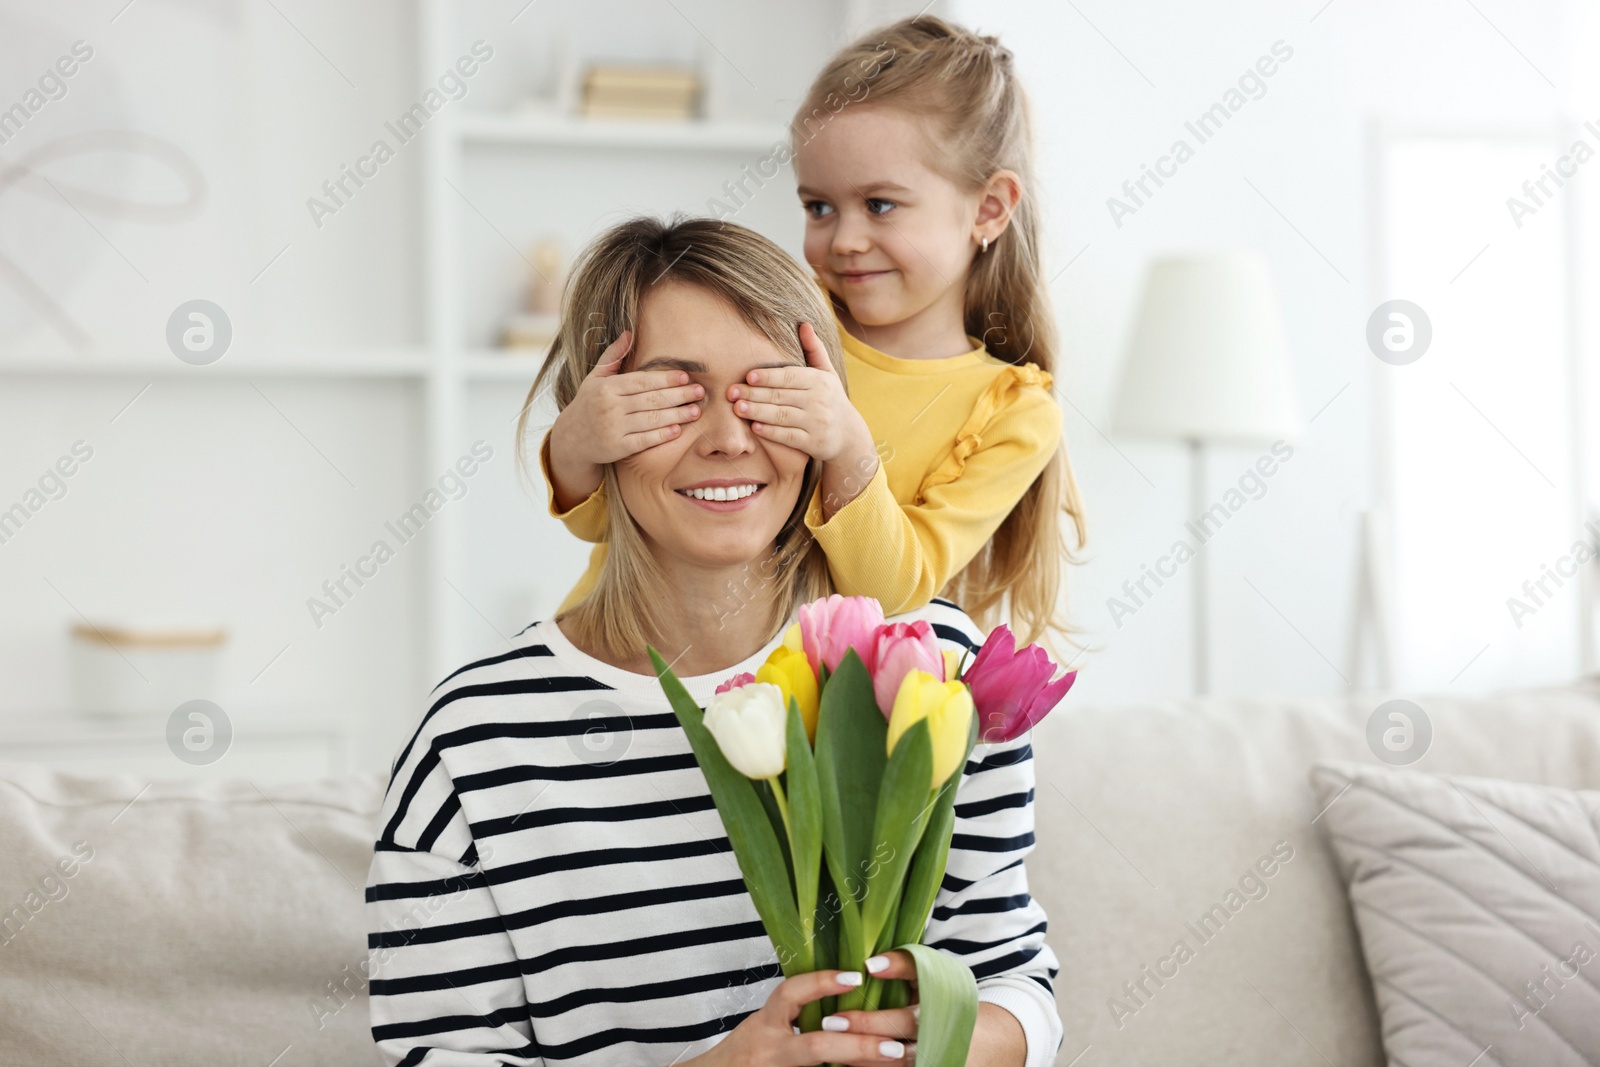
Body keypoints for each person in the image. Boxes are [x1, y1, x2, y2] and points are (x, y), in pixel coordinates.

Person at [367, 216, 1063, 1067]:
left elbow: (1019, 986)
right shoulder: (476, 737)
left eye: (771, 394)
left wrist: (934, 1038)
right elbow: (430, 1057)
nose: (729, 438)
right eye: (674, 397)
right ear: (592, 423)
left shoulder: (929, 672)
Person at [536, 15, 1086, 653]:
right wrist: (576, 446)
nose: (844, 239)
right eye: (818, 206)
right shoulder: (775, 317)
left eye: (880, 204)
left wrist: (848, 448)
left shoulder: (1014, 413)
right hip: (627, 656)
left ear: (989, 208)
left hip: (789, 704)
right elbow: (615, 520)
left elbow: (894, 591)